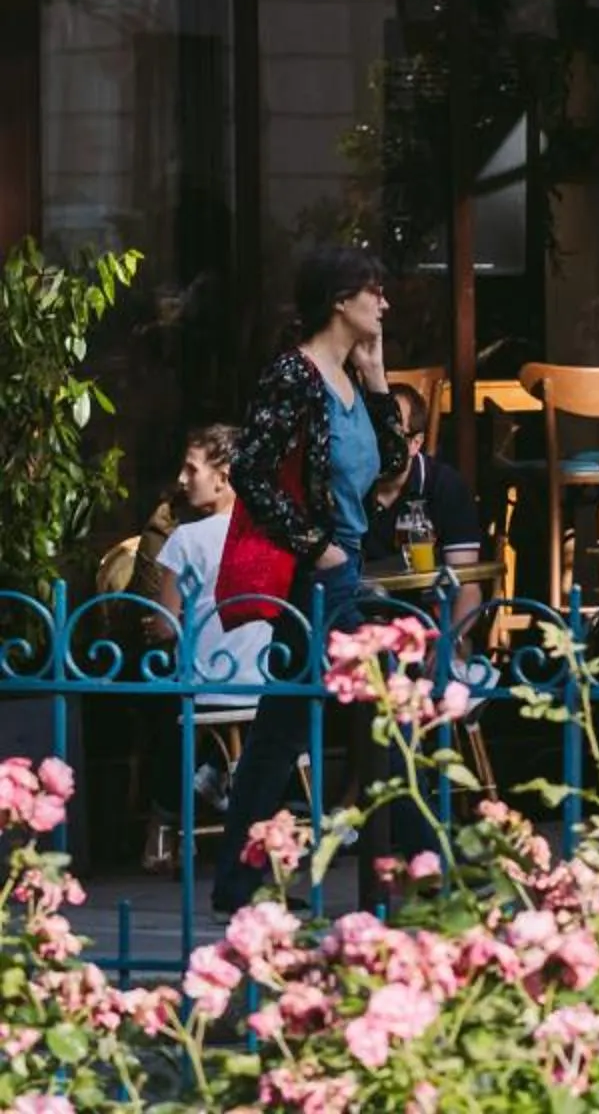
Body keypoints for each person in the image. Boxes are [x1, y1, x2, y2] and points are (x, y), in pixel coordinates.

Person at [210, 244, 412, 912]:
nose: (383, 302)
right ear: (340, 300)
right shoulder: (294, 375)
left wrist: (377, 377)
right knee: (386, 710)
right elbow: (249, 470)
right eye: (374, 291)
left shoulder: (351, 379)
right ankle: (416, 868)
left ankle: (238, 885)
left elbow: (391, 461)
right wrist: (313, 544)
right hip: (321, 576)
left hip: (344, 564)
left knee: (283, 729)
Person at [360, 384, 489, 637]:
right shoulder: (349, 486)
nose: (377, 444)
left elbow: (467, 586)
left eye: (390, 435)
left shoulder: (445, 486)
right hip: (361, 626)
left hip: (430, 625)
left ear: (415, 443)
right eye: (371, 432)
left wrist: (449, 644)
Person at [153, 425, 274, 689]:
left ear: (222, 478)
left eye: (192, 469)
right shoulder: (270, 537)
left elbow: (165, 626)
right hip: (261, 688)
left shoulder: (186, 539)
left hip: (201, 687)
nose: (182, 479)